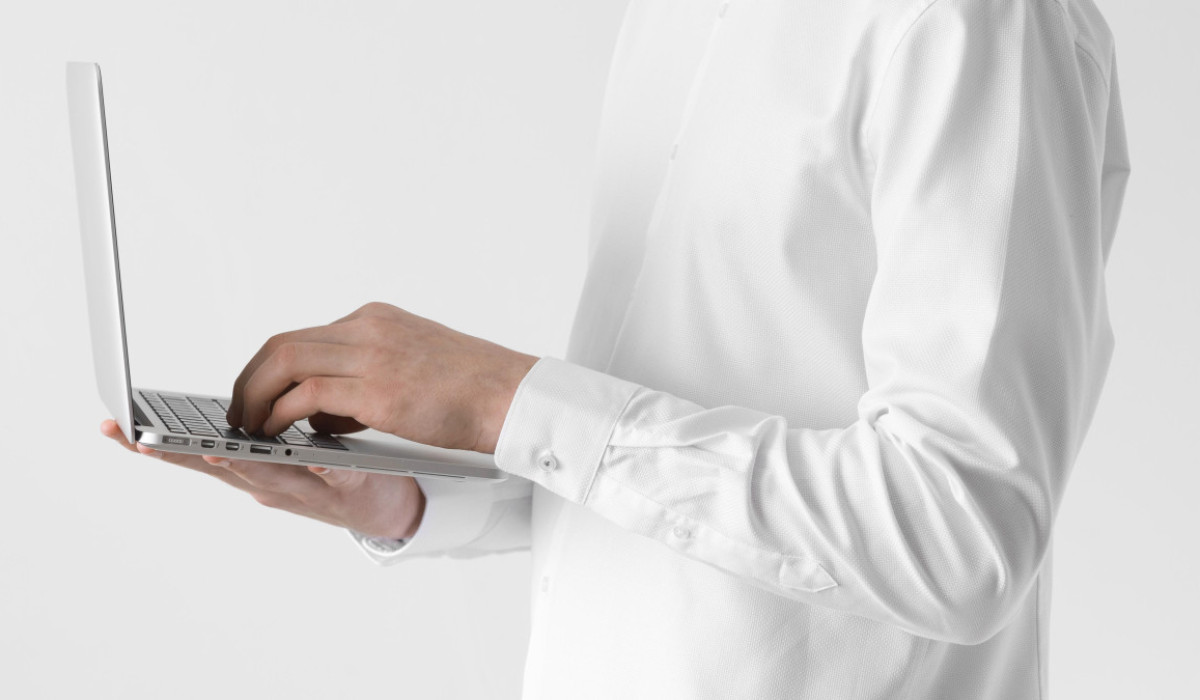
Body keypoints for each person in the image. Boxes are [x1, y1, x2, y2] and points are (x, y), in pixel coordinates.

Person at [102, 0, 1130, 697]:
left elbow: (960, 534)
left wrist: (508, 400)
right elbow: (656, 460)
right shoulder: (669, 19)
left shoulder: (976, 21)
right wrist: (407, 500)